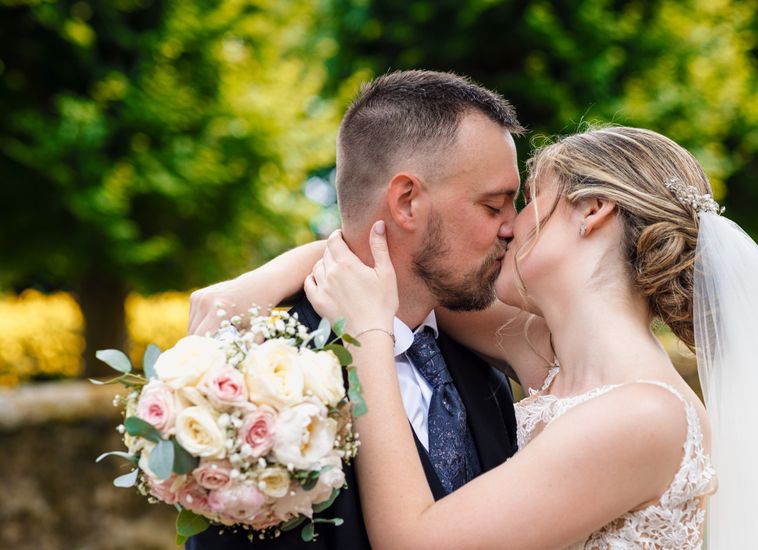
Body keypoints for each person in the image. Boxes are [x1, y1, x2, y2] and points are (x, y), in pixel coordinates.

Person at [242, 126, 758, 548]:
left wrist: (367, 337)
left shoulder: (642, 416)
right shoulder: (544, 349)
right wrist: (255, 284)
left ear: (592, 209)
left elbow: (417, 541)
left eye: (525, 200)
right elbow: (401, 266)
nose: (506, 228)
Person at [186, 69, 526, 549]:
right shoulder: (256, 388)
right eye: (494, 207)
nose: (513, 227)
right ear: (406, 201)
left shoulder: (482, 356)